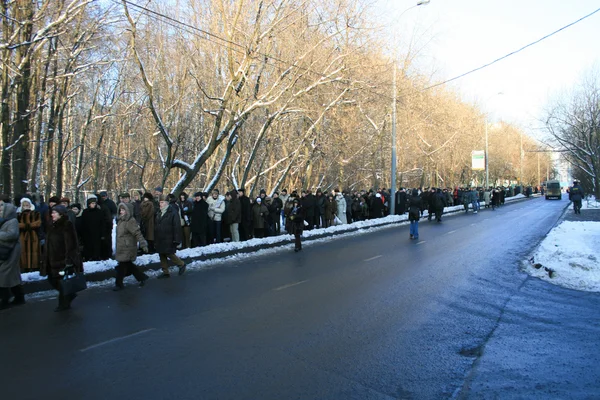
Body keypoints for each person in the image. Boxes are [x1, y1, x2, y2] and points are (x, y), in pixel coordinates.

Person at [42, 205, 83, 312]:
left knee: (61, 281)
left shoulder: (66, 225)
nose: (52, 214)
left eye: (54, 213)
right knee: (52, 279)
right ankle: (69, 295)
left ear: (61, 214)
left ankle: (64, 303)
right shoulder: (52, 225)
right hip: (51, 258)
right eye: (52, 212)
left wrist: (69, 260)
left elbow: (71, 244)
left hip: (62, 259)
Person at [114, 203, 149, 290]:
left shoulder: (130, 221)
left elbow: (137, 233)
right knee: (128, 265)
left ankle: (119, 284)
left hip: (127, 247)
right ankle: (142, 277)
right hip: (122, 247)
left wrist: (143, 243)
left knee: (122, 265)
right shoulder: (121, 220)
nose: (121, 212)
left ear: (128, 211)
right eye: (120, 210)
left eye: (123, 210)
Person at [0, 201, 25, 309]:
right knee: (12, 274)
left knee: (3, 274)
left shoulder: (12, 221)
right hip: (5, 250)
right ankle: (19, 297)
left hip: (12, 250)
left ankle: (4, 299)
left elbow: (12, 235)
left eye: (1, 210)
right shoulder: (3, 220)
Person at [154, 195, 186, 279]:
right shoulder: (159, 212)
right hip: (160, 237)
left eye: (162, 202)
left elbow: (176, 226)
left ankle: (181, 264)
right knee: (161, 254)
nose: (160, 204)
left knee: (169, 253)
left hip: (169, 237)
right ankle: (165, 272)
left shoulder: (172, 212)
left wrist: (177, 239)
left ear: (167, 203)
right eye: (160, 202)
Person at [17, 197, 42, 272]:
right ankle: (24, 268)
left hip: (33, 235)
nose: (26, 207)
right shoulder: (18, 214)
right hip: (22, 235)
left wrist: (27, 226)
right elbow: (17, 224)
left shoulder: (36, 213)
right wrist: (27, 226)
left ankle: (34, 267)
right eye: (24, 205)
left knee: (34, 251)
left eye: (27, 205)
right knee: (23, 251)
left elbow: (38, 223)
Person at [80, 197, 104, 261]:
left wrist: (102, 233)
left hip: (97, 232)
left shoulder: (99, 212)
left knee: (96, 245)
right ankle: (88, 257)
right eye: (92, 203)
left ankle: (96, 256)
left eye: (95, 203)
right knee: (88, 245)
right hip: (87, 232)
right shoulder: (85, 212)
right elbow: (83, 223)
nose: (94, 204)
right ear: (89, 204)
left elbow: (102, 223)